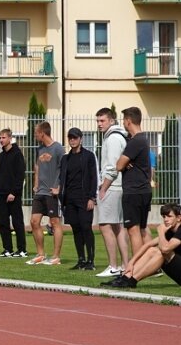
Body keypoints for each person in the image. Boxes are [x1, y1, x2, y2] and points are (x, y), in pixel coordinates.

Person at [105, 107, 153, 257]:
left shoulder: (135, 141)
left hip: (134, 191)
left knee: (133, 230)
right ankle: (152, 263)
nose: (124, 123)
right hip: (144, 190)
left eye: (124, 120)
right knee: (143, 228)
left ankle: (137, 265)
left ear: (128, 121)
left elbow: (119, 165)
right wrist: (127, 161)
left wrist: (124, 162)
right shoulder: (143, 140)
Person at [101, 204, 181, 289]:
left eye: (169, 216)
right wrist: (131, 263)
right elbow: (148, 245)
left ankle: (132, 281)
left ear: (179, 218)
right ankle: (126, 277)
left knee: (160, 252)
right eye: (164, 217)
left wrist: (161, 231)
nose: (166, 220)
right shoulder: (170, 231)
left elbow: (165, 249)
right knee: (152, 250)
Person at [94, 108, 130, 278]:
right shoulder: (115, 136)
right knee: (118, 226)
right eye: (98, 121)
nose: (99, 124)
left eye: (102, 120)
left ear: (111, 120)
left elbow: (113, 166)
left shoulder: (113, 138)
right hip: (117, 186)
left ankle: (114, 266)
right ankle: (124, 265)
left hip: (113, 186)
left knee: (105, 225)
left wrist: (104, 187)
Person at [26, 121, 65, 266]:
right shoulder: (39, 149)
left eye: (36, 132)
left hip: (51, 193)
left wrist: (58, 187)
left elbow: (64, 169)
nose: (35, 135)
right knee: (34, 222)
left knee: (55, 223)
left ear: (43, 133)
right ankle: (41, 254)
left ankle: (56, 257)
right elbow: (37, 166)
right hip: (40, 192)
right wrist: (35, 184)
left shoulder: (58, 148)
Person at [59, 127, 98, 270]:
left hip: (84, 198)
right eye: (70, 138)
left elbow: (93, 177)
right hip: (70, 199)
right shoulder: (65, 158)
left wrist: (92, 198)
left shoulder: (88, 156)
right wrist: (61, 196)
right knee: (76, 228)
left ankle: (90, 260)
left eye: (75, 138)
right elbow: (63, 178)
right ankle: (81, 259)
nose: (72, 140)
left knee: (86, 227)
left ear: (81, 139)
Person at [0, 128, 27, 259]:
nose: (1, 140)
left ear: (10, 138)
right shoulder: (1, 155)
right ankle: (7, 249)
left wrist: (14, 192)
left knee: (17, 222)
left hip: (13, 195)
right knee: (3, 223)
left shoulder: (17, 154)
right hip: (2, 194)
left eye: (3, 138)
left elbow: (20, 175)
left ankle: (22, 249)